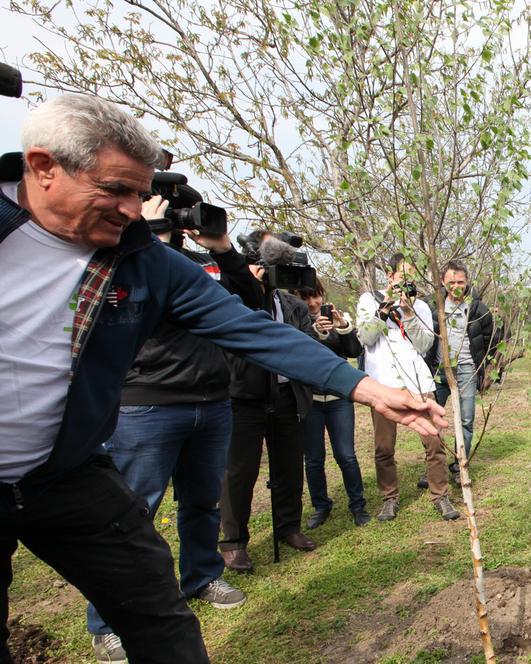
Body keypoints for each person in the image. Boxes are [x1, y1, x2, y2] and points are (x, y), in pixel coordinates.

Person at [0, 93, 443, 662]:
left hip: (63, 472)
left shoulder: (147, 263)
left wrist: (368, 388)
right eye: (115, 190)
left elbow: (251, 328)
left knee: (158, 611)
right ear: (43, 168)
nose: (133, 210)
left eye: (140, 192)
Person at [80, 194, 257, 662]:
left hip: (212, 399)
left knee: (202, 502)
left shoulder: (200, 262)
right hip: (146, 402)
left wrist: (223, 249)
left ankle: (201, 576)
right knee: (130, 513)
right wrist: (150, 237)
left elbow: (250, 303)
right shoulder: (125, 253)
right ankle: (107, 622)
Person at [218, 230, 329, 570]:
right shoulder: (233, 297)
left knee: (289, 466)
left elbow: (308, 346)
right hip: (245, 397)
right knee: (240, 470)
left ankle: (289, 527)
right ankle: (234, 542)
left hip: (287, 396)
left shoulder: (294, 305)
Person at [358, 255, 460, 521]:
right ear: (391, 276)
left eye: (413, 277)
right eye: (403, 276)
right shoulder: (369, 299)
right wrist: (386, 306)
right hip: (381, 384)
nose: (408, 282)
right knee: (383, 448)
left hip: (418, 382)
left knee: (434, 441)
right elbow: (366, 337)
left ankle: (441, 496)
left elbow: (425, 345)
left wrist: (410, 313)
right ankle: (389, 498)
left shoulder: (421, 307)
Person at [296, 279, 369, 529]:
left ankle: (358, 505)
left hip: (338, 400)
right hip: (310, 401)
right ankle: (321, 506)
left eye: (316, 296)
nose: (313, 303)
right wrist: (317, 332)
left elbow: (354, 351)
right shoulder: (296, 320)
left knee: (346, 455)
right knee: (314, 458)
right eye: (306, 297)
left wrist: (344, 327)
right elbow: (304, 352)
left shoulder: (335, 315)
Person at [426, 260, 495, 477]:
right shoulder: (432, 308)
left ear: (467, 282)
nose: (456, 286)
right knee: (431, 419)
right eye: (451, 282)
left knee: (465, 419)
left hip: (466, 370)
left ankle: (460, 464)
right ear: (442, 282)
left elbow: (491, 340)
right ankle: (434, 466)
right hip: (438, 370)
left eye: (461, 282)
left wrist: (485, 368)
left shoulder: (478, 309)